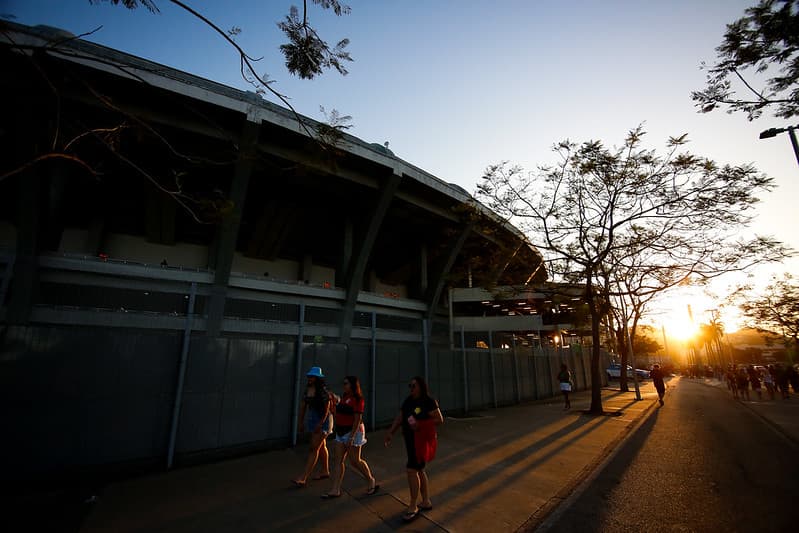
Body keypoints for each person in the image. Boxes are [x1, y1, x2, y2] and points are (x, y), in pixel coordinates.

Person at [384, 376, 444, 522]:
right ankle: (425, 501)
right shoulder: (408, 401)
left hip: (421, 442)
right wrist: (391, 432)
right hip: (410, 440)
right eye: (409, 386)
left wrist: (421, 424)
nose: (411, 388)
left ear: (421, 387)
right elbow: (400, 417)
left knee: (411, 470)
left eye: (413, 386)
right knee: (419, 470)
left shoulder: (428, 401)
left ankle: (413, 505)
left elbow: (439, 419)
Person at [322, 375, 378, 499]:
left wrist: (351, 437)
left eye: (346, 383)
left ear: (352, 385)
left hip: (353, 432)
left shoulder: (358, 399)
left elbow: (357, 419)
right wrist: (333, 406)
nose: (344, 385)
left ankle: (370, 479)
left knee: (355, 460)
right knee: (338, 460)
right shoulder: (344, 398)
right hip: (341, 431)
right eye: (344, 383)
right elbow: (338, 414)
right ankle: (335, 489)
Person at [292, 366, 333, 487]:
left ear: (317, 378)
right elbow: (303, 407)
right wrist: (300, 422)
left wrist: (320, 424)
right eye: (309, 376)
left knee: (313, 448)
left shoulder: (323, 391)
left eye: (312, 376)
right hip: (313, 418)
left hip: (324, 420)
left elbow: (327, 409)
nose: (309, 378)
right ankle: (325, 470)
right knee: (321, 446)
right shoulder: (308, 390)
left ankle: (303, 477)